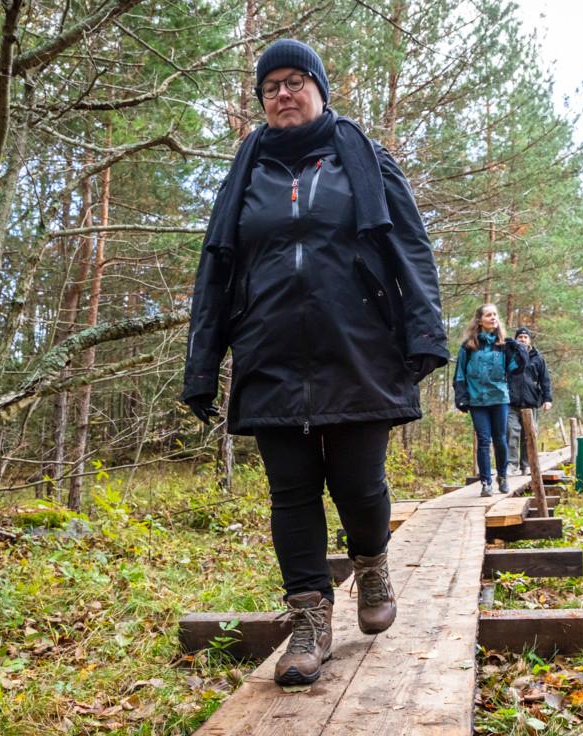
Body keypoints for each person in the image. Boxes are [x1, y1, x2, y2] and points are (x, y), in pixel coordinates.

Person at [181, 39, 448, 686]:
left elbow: (410, 248)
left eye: (295, 80)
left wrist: (424, 334)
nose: (282, 93)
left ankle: (373, 562)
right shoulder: (247, 176)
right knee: (291, 491)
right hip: (270, 350)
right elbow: (217, 269)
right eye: (270, 86)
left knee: (359, 482)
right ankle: (309, 618)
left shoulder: (365, 160)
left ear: (321, 89)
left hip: (356, 348)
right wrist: (202, 360)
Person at [452, 304, 526, 497]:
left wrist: (520, 352)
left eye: (495, 314)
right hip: (477, 400)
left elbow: (515, 369)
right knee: (483, 440)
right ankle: (486, 482)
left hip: (499, 398)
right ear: (480, 320)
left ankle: (502, 476)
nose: (493, 317)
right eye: (488, 315)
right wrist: (461, 397)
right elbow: (460, 374)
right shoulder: (468, 347)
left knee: (500, 439)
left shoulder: (503, 345)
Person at [506, 326, 553, 474]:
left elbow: (545, 380)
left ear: (529, 340)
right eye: (520, 337)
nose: (522, 339)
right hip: (511, 402)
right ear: (516, 339)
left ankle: (525, 465)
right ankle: (511, 464)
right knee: (511, 433)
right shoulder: (509, 356)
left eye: (525, 337)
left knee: (529, 435)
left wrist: (547, 399)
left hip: (531, 402)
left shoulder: (538, 358)